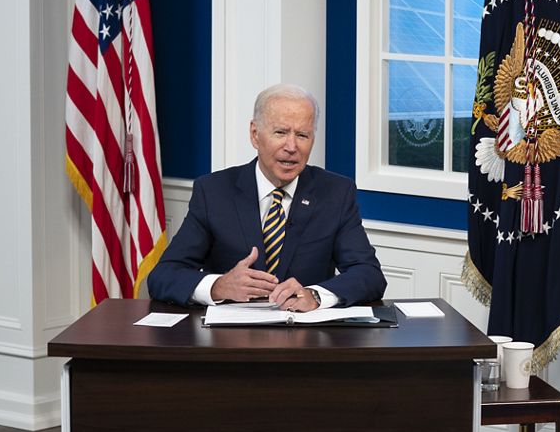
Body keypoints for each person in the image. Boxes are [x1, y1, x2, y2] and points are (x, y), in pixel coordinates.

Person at [147, 84, 386, 311]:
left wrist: (314, 295)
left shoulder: (335, 193)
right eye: (281, 132)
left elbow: (369, 274)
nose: (291, 147)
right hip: (230, 343)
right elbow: (163, 276)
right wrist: (219, 286)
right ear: (255, 134)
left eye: (302, 135)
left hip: (306, 339)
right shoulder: (213, 192)